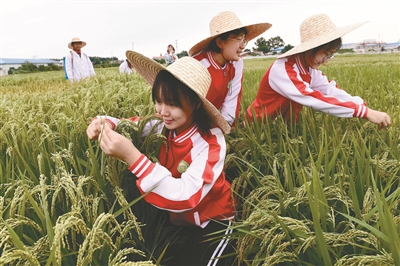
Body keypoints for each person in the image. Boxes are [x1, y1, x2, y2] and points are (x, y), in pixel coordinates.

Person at [86, 50, 235, 265]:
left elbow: (186, 196)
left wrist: (132, 157)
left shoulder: (210, 142)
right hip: (177, 220)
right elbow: (129, 123)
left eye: (172, 104)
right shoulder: (161, 125)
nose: (163, 111)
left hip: (213, 221)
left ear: (195, 103)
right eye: (158, 101)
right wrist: (103, 122)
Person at [246, 14, 391, 129]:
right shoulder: (284, 69)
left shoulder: (309, 70)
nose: (326, 60)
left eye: (331, 55)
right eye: (325, 53)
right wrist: (364, 113)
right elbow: (313, 98)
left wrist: (364, 107)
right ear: (310, 48)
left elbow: (330, 90)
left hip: (284, 128)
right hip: (259, 128)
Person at [189, 11, 272, 127]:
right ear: (219, 42)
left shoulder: (236, 63)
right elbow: (183, 104)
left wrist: (225, 128)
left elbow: (232, 99)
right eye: (239, 39)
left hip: (208, 125)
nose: (242, 46)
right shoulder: (199, 65)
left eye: (244, 40)